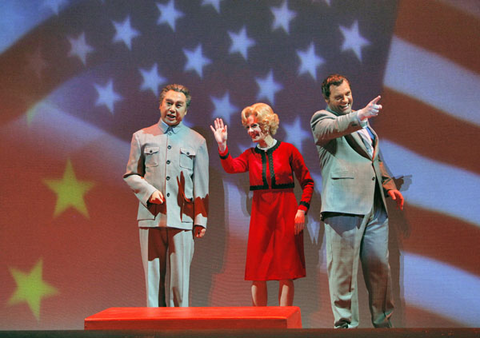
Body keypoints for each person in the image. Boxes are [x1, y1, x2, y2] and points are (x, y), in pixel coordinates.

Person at [310, 74, 404, 328]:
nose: (345, 99)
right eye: (338, 96)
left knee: (380, 272)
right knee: (344, 276)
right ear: (327, 98)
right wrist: (360, 114)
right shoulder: (323, 120)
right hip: (343, 209)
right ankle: (346, 328)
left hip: (374, 209)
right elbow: (334, 128)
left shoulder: (365, 127)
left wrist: (388, 185)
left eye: (348, 94)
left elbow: (374, 158)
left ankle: (383, 326)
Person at [210, 103, 314, 306]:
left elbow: (308, 182)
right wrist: (222, 146)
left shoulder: (288, 150)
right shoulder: (250, 155)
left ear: (267, 124)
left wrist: (301, 210)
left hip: (287, 212)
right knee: (258, 270)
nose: (251, 131)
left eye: (255, 125)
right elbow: (232, 167)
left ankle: (284, 323)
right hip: (262, 215)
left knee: (286, 269)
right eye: (248, 127)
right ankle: (261, 322)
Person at [123, 84, 209, 307]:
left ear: (186, 111)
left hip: (183, 218)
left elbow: (201, 185)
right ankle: (154, 327)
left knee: (180, 282)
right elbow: (131, 175)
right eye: (169, 103)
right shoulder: (142, 137)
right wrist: (149, 192)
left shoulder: (197, 141)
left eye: (178, 105)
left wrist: (200, 220)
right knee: (153, 281)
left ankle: (178, 328)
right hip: (151, 217)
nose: (173, 109)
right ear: (160, 105)